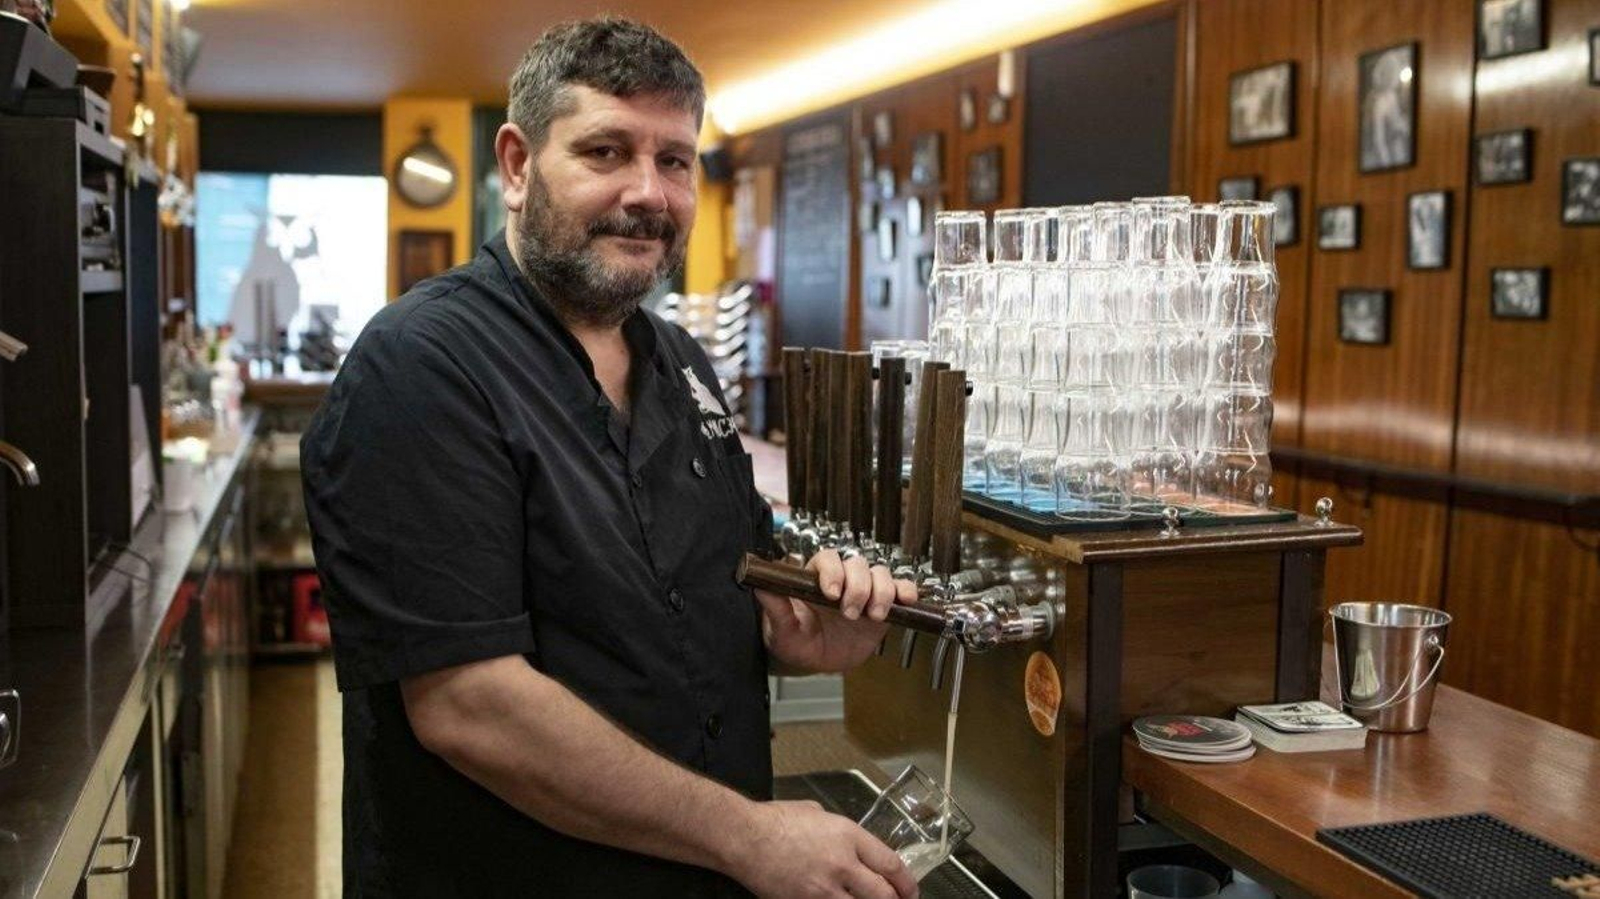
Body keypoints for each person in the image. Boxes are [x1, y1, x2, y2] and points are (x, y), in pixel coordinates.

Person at [301, 17, 920, 899]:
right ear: (517, 167)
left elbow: (716, 589)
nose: (650, 192)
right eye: (606, 151)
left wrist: (805, 633)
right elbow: (469, 705)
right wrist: (746, 833)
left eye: (675, 160)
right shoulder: (421, 365)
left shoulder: (682, 366)